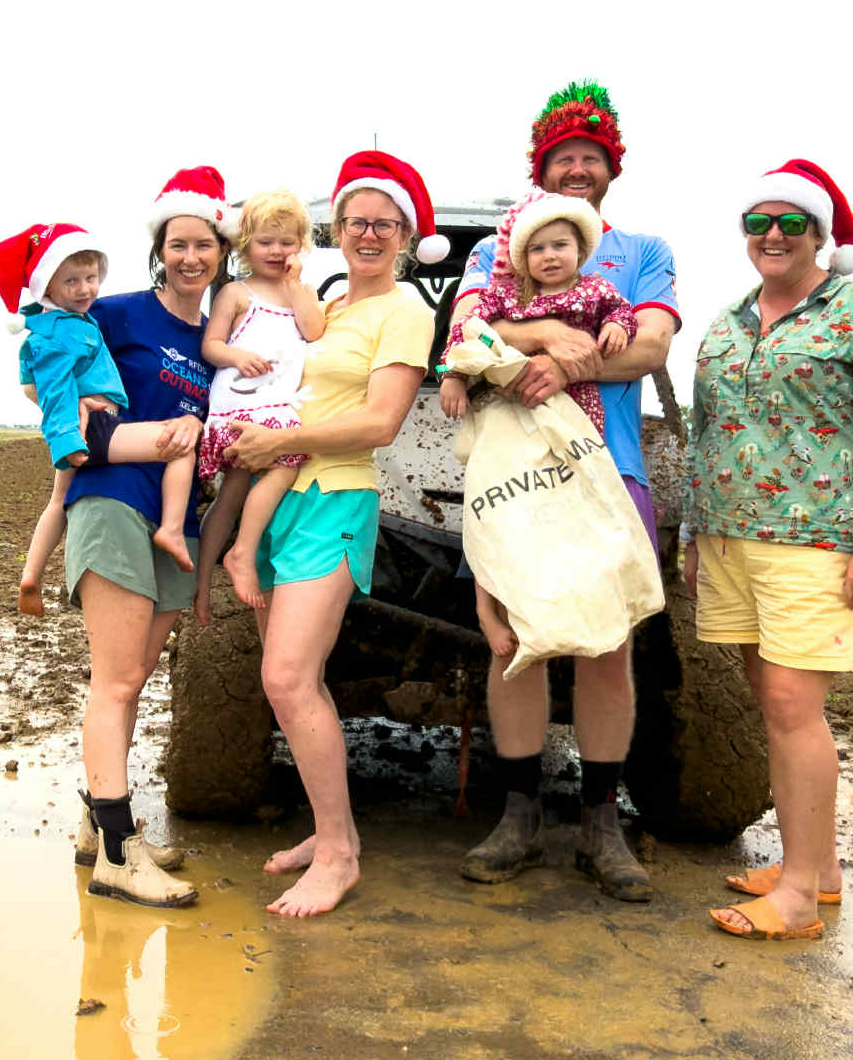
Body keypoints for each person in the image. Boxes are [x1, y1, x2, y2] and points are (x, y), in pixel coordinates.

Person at [684, 159, 853, 939]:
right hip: (730, 539)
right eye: (757, 221)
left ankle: (794, 896)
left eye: (790, 221)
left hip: (821, 542)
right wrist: (692, 531)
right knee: (771, 700)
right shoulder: (727, 322)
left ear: (819, 233)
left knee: (794, 706)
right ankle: (816, 868)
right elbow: (704, 431)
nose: (772, 234)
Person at [451, 81, 680, 898]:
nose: (576, 169)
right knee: (514, 638)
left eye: (590, 157)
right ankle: (518, 815)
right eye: (562, 158)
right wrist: (547, 333)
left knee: (607, 644)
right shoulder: (497, 247)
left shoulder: (643, 251)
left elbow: (649, 345)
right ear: (540, 169)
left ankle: (600, 822)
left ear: (610, 169)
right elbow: (467, 330)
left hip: (608, 464)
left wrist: (548, 361)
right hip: (515, 469)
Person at [228, 150, 445, 918]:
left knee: (287, 677)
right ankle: (332, 833)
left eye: (385, 223)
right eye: (357, 221)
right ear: (338, 230)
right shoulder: (327, 305)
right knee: (296, 679)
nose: (369, 233)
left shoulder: (404, 312)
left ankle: (340, 857)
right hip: (278, 496)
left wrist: (278, 441)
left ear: (405, 236)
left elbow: (381, 422)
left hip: (335, 496)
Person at [64, 167, 237, 909]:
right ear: (159, 251)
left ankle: (97, 821)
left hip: (178, 520)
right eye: (178, 244)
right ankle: (116, 855)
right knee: (115, 681)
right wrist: (82, 413)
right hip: (111, 500)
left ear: (222, 252)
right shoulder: (118, 314)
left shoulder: (220, 340)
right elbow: (43, 373)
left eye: (204, 244)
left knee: (133, 677)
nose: (191, 257)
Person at [442, 188, 639, 661]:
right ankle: (488, 610)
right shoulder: (505, 296)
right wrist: (452, 375)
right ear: (521, 257)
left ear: (581, 251)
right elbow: (467, 331)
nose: (549, 256)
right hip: (508, 414)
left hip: (572, 419)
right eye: (537, 248)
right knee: (495, 512)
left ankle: (570, 609)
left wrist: (618, 327)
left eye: (559, 245)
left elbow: (623, 313)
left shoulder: (596, 291)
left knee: (566, 510)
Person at [0, 223, 200, 617]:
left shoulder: (61, 324)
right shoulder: (66, 332)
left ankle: (31, 576)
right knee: (178, 442)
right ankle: (172, 529)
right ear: (47, 287)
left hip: (85, 431)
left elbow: (31, 380)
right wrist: (67, 438)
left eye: (91, 278)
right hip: (94, 428)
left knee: (57, 501)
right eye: (71, 281)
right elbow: (52, 387)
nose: (84, 290)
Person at [193, 189, 326, 622]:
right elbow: (211, 345)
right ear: (246, 245)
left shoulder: (301, 292)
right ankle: (236, 556)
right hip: (240, 403)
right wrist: (236, 356)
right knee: (285, 466)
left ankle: (212, 577)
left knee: (234, 490)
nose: (276, 251)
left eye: (287, 242)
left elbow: (314, 331)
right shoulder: (237, 293)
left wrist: (295, 286)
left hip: (277, 404)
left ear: (301, 246)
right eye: (265, 242)